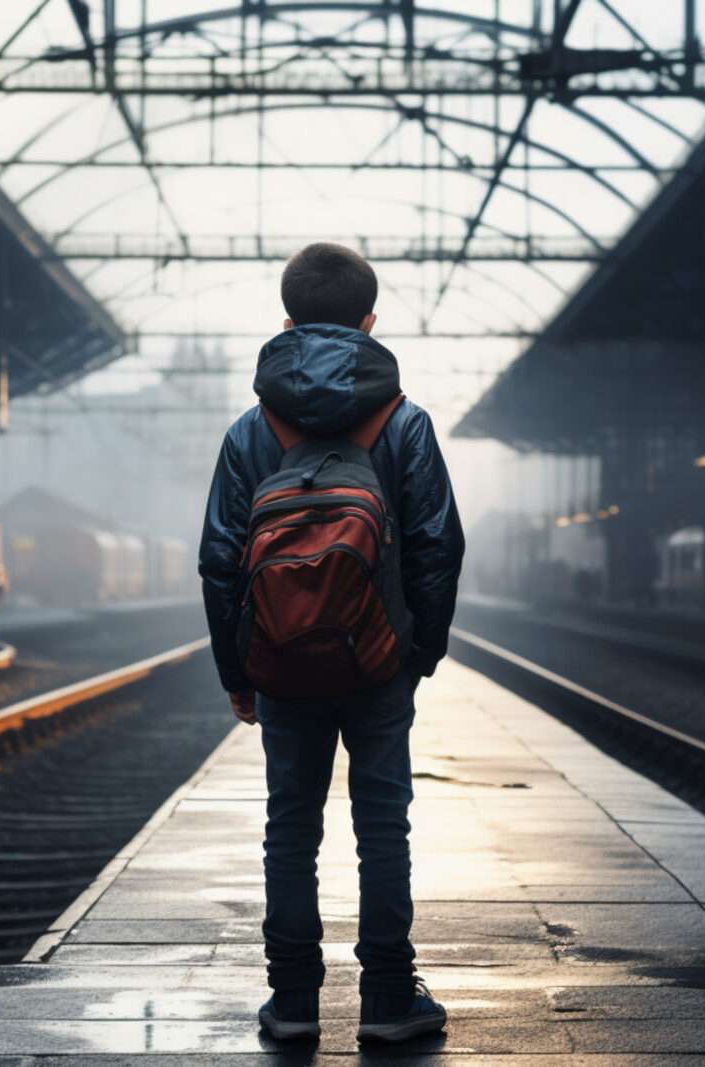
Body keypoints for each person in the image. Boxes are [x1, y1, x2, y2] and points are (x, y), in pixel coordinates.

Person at [199, 242, 465, 1044]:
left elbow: (219, 559)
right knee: (383, 821)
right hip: (380, 662)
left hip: (279, 662)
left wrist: (237, 672)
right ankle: (387, 1000)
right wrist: (415, 654)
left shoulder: (252, 431)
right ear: (369, 321)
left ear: (287, 321)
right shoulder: (404, 422)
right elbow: (437, 547)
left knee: (291, 824)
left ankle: (293, 1003)